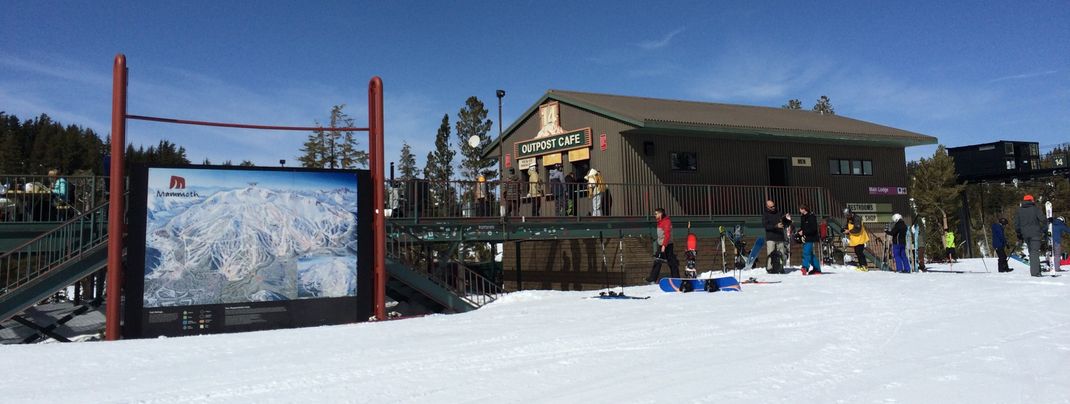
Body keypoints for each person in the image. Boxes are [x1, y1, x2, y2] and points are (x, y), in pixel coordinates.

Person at [1015, 194, 1047, 277]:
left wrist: (1019, 234)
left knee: (1032, 252)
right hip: (1035, 234)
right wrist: (1043, 230)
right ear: (1031, 200)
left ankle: (1036, 270)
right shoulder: (1035, 209)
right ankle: (1035, 272)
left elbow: (1017, 224)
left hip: (1025, 235)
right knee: (1034, 252)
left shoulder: (1019, 210)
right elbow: (1043, 220)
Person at [645, 208, 680, 282]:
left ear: (660, 214)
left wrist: (664, 246)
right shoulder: (660, 222)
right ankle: (653, 278)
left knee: (671, 262)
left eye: (656, 213)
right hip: (662, 244)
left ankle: (676, 278)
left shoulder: (666, 222)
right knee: (659, 260)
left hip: (667, 245)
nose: (655, 215)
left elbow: (667, 235)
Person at [762, 200, 790, 274]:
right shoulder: (765, 214)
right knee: (770, 253)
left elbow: (784, 222)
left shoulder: (779, 212)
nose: (773, 207)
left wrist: (787, 220)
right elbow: (766, 226)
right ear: (767, 207)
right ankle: (769, 268)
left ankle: (780, 267)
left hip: (780, 236)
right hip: (771, 237)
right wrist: (776, 226)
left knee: (782, 253)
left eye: (774, 206)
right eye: (771, 207)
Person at [796, 204, 821, 275]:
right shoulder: (802, 217)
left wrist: (803, 231)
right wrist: (799, 232)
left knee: (806, 252)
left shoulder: (811, 217)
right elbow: (803, 227)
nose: (800, 210)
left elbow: (813, 229)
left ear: (804, 209)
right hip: (805, 237)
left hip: (811, 237)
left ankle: (805, 267)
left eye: (800, 209)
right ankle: (817, 268)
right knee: (810, 254)